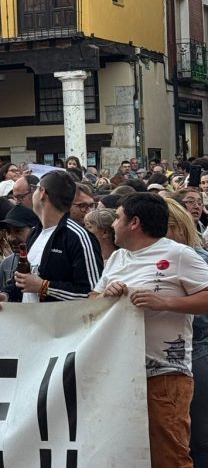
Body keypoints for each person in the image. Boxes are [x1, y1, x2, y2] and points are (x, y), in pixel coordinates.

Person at [92, 193, 208, 468]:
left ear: (134, 223)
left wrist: (166, 302)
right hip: (119, 372)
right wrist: (106, 296)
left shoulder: (179, 254)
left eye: (118, 217)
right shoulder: (117, 258)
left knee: (168, 455)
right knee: (126, 454)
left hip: (165, 373)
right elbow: (92, 302)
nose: (113, 224)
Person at [0, 171, 102, 309]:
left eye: (35, 189)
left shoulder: (78, 237)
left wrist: (44, 287)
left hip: (65, 327)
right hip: (32, 325)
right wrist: (6, 294)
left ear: (42, 193)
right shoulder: (35, 233)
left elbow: (93, 294)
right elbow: (23, 279)